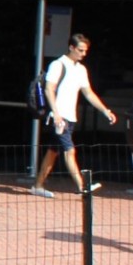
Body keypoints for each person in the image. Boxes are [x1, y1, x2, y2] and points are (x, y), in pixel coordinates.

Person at [31, 33, 115, 197]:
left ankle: (38, 186)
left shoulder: (81, 69)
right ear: (71, 47)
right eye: (81, 50)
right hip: (60, 117)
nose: (83, 54)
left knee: (52, 152)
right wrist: (56, 114)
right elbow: (49, 89)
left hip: (70, 117)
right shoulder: (58, 64)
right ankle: (82, 186)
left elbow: (88, 93)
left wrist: (105, 110)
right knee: (69, 151)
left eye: (85, 51)